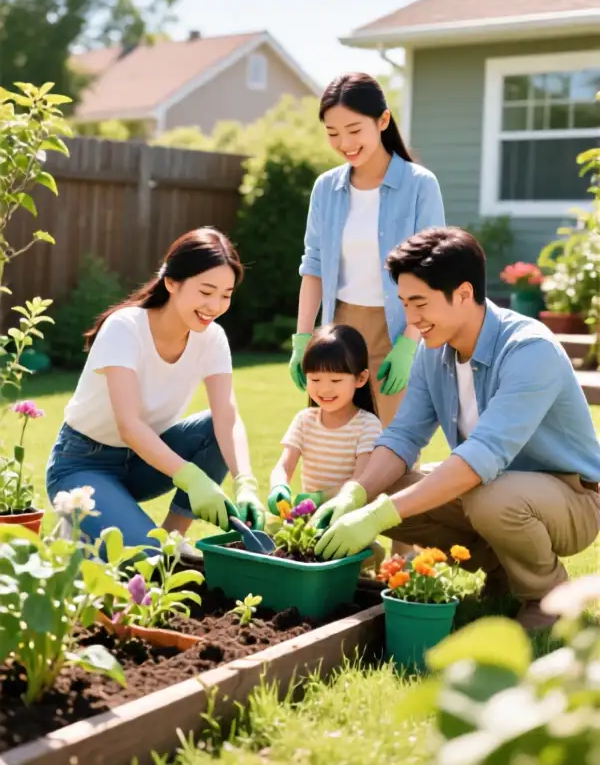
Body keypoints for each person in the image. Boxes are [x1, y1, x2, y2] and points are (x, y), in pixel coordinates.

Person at [311, 227, 600, 631]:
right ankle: (504, 571)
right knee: (388, 487)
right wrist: (357, 493)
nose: (411, 320)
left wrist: (379, 514)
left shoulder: (530, 350)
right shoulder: (437, 351)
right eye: (404, 304)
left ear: (464, 294)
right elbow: (403, 436)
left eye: (420, 304)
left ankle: (546, 597)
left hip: (572, 498)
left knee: (489, 498)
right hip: (494, 486)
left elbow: (482, 456)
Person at [46, 228, 266, 554]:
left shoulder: (212, 338)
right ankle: (80, 523)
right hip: (82, 464)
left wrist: (245, 481)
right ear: (172, 282)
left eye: (226, 294)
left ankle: (174, 537)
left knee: (214, 429)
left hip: (143, 463)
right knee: (145, 559)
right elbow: (129, 425)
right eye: (206, 291)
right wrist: (192, 479)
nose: (215, 305)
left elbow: (226, 418)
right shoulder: (125, 328)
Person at [290, 72, 445, 429]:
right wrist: (302, 340)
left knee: (392, 450)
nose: (344, 142)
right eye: (332, 133)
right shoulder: (325, 188)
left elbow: (431, 272)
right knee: (332, 445)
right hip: (337, 332)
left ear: (383, 120)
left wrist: (409, 343)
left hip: (397, 330)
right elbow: (313, 267)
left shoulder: (420, 186)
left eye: (354, 130)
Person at [268, 324, 382, 512]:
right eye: (315, 379)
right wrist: (279, 486)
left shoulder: (367, 425)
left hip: (347, 520)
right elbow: (284, 466)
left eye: (336, 380)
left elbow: (360, 481)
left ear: (360, 378)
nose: (325, 389)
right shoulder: (305, 420)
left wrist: (321, 498)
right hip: (310, 519)